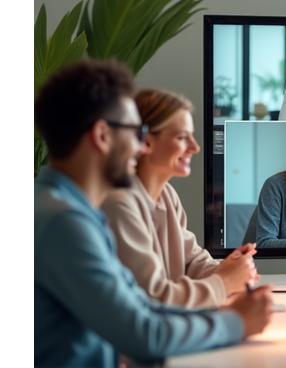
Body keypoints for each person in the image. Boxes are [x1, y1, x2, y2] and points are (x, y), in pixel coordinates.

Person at [34, 59, 272, 367]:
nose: (140, 147)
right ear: (102, 135)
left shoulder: (67, 210)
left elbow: (142, 308)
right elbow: (145, 333)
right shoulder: (64, 222)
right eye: (135, 132)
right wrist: (237, 321)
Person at [102, 88, 258, 309]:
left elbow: (192, 260)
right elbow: (153, 297)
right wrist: (224, 282)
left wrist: (229, 267)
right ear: (146, 142)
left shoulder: (166, 194)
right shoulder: (118, 205)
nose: (195, 148)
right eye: (182, 137)